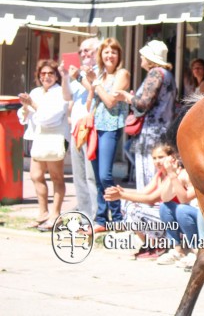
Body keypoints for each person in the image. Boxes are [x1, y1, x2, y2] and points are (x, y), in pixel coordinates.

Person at [83, 37, 131, 231]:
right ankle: (101, 219)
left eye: (113, 52)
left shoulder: (122, 74)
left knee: (105, 174)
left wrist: (96, 85)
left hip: (111, 126)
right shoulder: (98, 75)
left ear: (119, 55)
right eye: (106, 52)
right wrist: (92, 86)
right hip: (95, 126)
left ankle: (117, 217)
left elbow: (111, 102)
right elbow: (89, 104)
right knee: (97, 175)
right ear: (100, 55)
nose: (110, 55)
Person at [115, 40, 176, 188]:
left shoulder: (155, 73)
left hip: (151, 132)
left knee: (149, 174)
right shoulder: (168, 75)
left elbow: (144, 104)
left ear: (150, 58)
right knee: (159, 173)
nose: (141, 58)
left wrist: (127, 97)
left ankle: (150, 207)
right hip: (163, 129)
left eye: (143, 56)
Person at [104, 141, 179, 259]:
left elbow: (151, 199)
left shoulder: (173, 175)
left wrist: (122, 195)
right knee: (127, 204)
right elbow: (142, 193)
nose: (157, 161)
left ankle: (159, 245)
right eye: (154, 158)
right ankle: (147, 244)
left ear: (171, 157)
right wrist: (122, 192)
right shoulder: (159, 175)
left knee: (136, 209)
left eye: (161, 157)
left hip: (172, 218)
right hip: (160, 215)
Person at [17, 59, 69, 230]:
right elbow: (25, 116)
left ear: (56, 76)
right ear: (39, 75)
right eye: (43, 73)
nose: (46, 76)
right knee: (35, 175)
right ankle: (43, 212)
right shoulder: (36, 92)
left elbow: (50, 118)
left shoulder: (60, 93)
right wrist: (25, 107)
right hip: (38, 138)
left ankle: (56, 214)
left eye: (50, 73)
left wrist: (31, 104)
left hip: (54, 137)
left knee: (56, 177)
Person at [62, 38, 100, 219]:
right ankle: (85, 213)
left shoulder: (99, 71)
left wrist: (78, 76)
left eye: (88, 51)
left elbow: (95, 90)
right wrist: (64, 75)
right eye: (81, 51)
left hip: (91, 126)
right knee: (79, 175)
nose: (84, 54)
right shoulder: (77, 73)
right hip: (77, 126)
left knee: (91, 176)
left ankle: (96, 214)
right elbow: (67, 96)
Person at [156, 150, 200, 269]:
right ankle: (178, 251)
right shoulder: (182, 174)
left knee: (182, 210)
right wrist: (173, 175)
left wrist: (172, 174)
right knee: (165, 207)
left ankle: (197, 253)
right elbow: (165, 198)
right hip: (192, 219)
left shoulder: (200, 174)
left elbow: (184, 199)